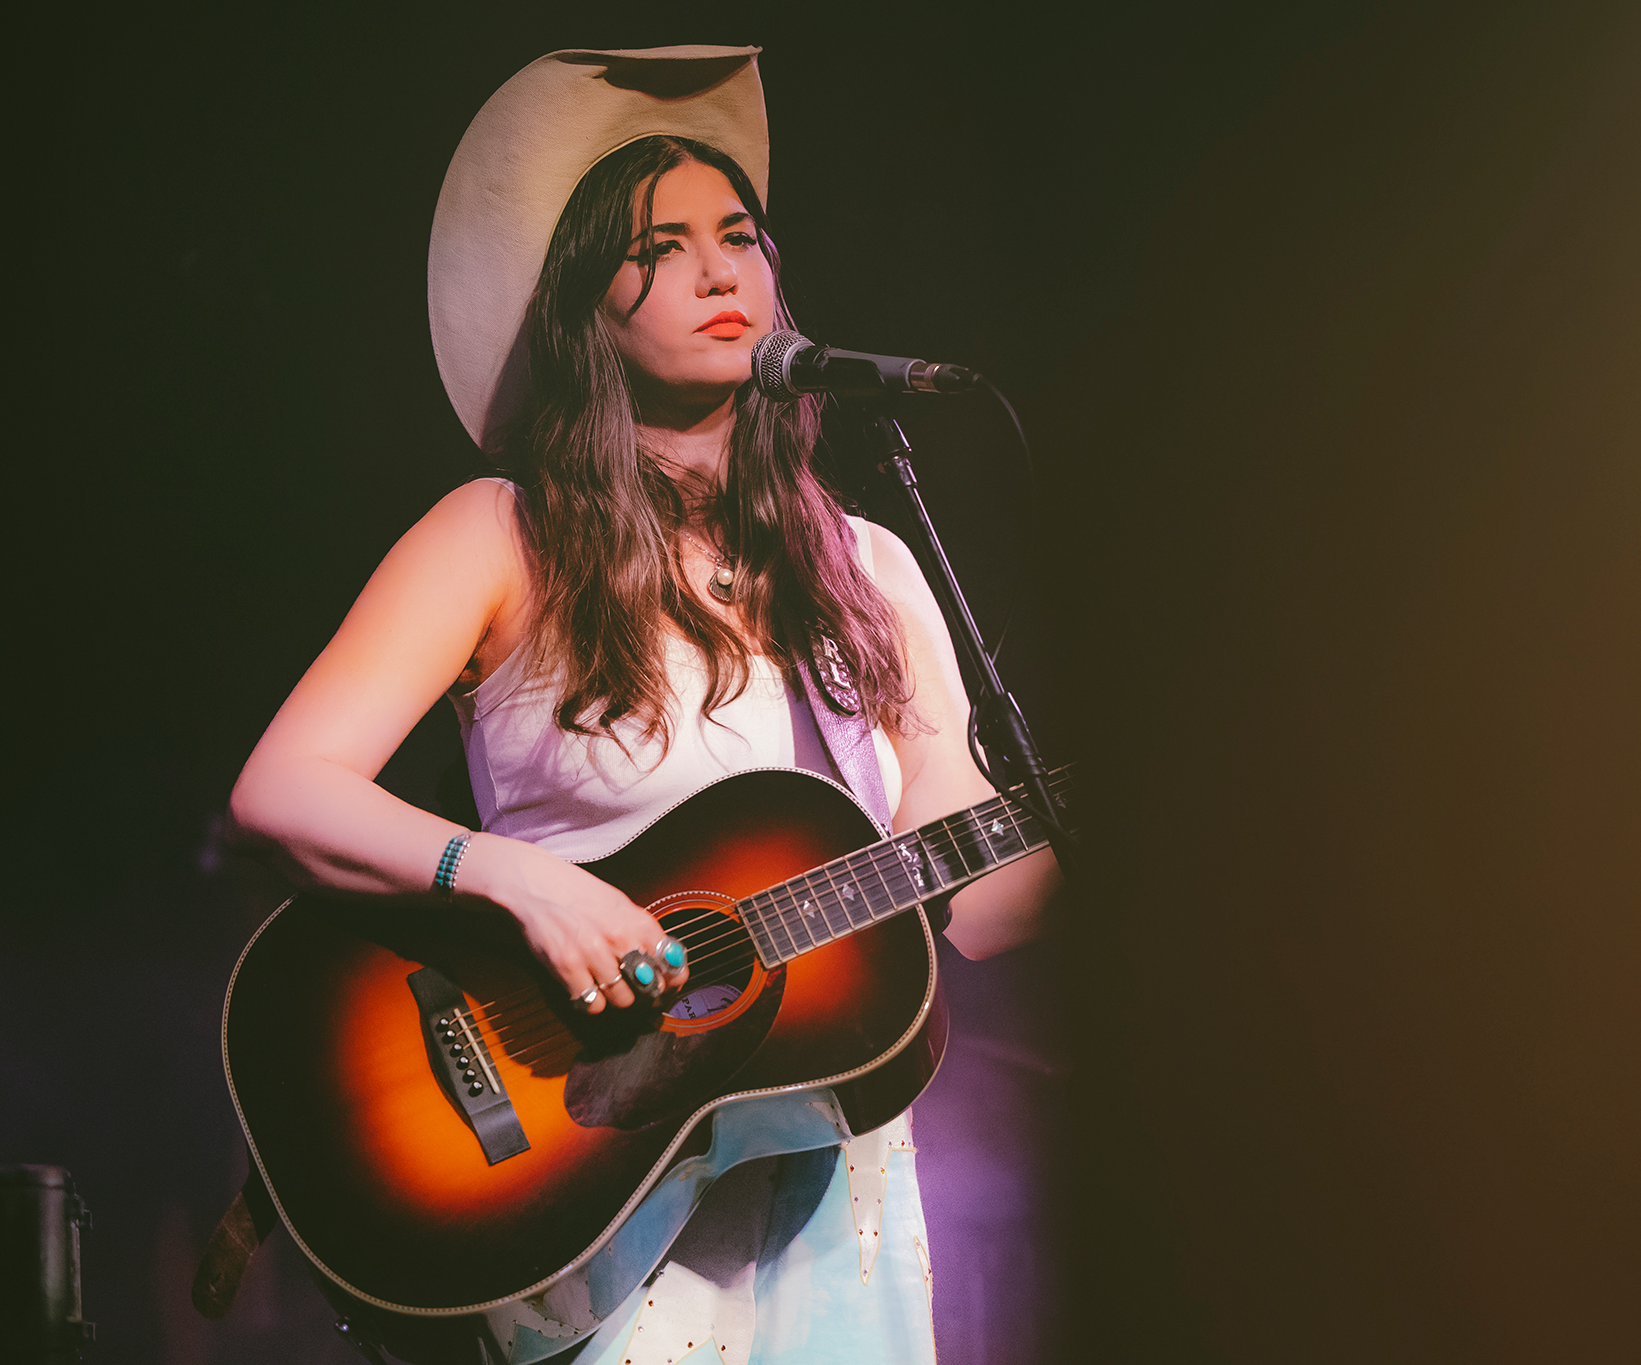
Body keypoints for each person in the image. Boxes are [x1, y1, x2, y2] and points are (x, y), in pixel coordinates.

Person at [226, 45, 1061, 1365]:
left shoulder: (869, 567)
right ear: (587, 314)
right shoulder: (497, 535)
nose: (722, 273)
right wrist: (517, 880)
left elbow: (981, 894)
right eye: (660, 251)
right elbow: (282, 792)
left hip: (824, 1194)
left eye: (740, 237)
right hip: (566, 1146)